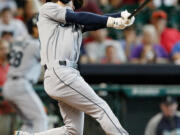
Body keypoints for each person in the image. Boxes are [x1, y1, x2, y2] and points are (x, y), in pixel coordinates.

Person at [15, 0, 135, 135]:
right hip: (60, 72)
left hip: (65, 74)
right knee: (100, 108)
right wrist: (112, 21)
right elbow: (79, 17)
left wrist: (122, 15)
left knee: (73, 130)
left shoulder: (73, 20)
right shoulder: (48, 9)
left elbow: (93, 21)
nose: (73, 6)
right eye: (72, 2)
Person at [2, 16, 48, 133]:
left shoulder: (18, 39)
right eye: (39, 27)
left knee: (29, 123)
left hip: (9, 85)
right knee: (40, 119)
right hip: (20, 85)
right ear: (33, 28)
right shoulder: (35, 45)